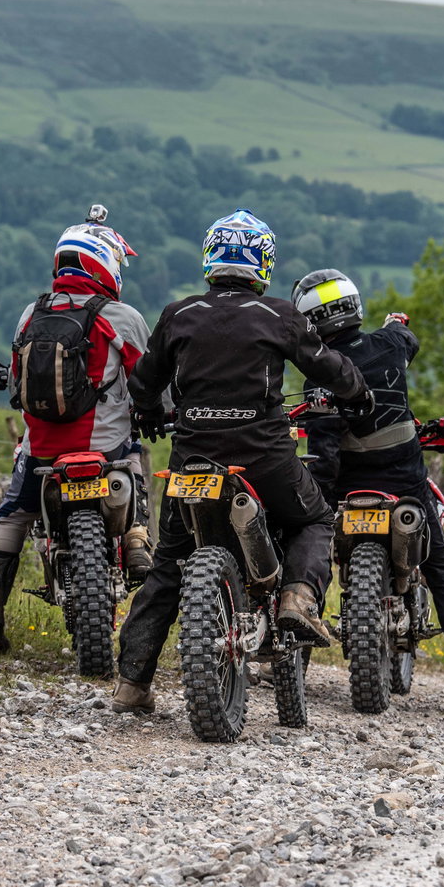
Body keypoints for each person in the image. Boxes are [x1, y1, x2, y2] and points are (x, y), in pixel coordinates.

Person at [110, 210, 370, 713]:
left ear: (211, 258)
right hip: (266, 459)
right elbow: (331, 367)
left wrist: (149, 416)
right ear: (263, 262)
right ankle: (297, 596)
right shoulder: (278, 315)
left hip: (192, 462)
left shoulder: (178, 314)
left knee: (168, 566)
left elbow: (142, 383)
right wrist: (357, 396)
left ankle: (131, 684)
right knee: (315, 518)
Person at [290, 268, 444, 711]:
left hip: (346, 489)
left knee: (308, 553)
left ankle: (292, 662)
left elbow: (324, 453)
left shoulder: (319, 379)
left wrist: (321, 502)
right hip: (404, 482)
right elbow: (409, 339)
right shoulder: (390, 344)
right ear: (353, 307)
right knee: (441, 570)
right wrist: (395, 326)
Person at [0, 205, 152, 653]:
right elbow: (149, 381)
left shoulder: (31, 314)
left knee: (11, 515)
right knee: (137, 453)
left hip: (41, 454)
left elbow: (15, 377)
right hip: (105, 451)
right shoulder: (122, 318)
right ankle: (137, 535)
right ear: (104, 264)